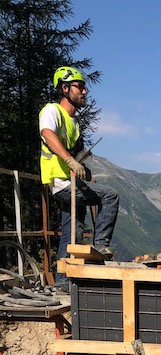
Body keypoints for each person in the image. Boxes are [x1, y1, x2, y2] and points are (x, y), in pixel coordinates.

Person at [39, 66, 119, 284]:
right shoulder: (52, 111)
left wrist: (80, 161)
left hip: (70, 181)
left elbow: (73, 151)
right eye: (80, 87)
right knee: (109, 196)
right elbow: (47, 133)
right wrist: (70, 160)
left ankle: (63, 283)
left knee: (71, 233)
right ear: (65, 89)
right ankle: (100, 246)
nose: (84, 92)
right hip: (61, 182)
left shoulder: (74, 122)